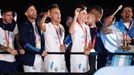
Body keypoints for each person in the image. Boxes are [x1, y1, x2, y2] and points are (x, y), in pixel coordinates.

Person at [38, 4, 67, 72]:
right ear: (50, 15)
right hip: (51, 60)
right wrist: (45, 15)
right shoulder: (47, 26)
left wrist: (64, 47)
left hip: (62, 59)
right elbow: (40, 25)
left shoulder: (62, 27)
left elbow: (63, 42)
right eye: (56, 13)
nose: (59, 15)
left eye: (59, 13)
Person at [18, 4, 45, 72]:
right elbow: (25, 44)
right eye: (31, 10)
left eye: (35, 9)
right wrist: (39, 51)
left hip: (40, 57)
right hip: (29, 60)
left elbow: (42, 39)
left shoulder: (38, 24)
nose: (34, 11)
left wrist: (42, 50)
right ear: (26, 13)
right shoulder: (24, 26)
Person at [69, 5, 92, 73]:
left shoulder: (87, 27)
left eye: (86, 13)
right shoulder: (75, 25)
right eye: (83, 13)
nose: (86, 15)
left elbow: (90, 42)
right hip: (76, 58)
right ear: (78, 15)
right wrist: (75, 16)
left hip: (85, 57)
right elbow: (71, 31)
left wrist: (88, 49)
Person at [88, 5, 108, 70]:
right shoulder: (84, 27)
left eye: (93, 14)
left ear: (98, 16)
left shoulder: (103, 29)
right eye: (90, 13)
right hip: (86, 58)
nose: (89, 15)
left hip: (100, 60)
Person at [0, 7, 18, 72]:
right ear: (2, 16)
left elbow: (17, 38)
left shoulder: (14, 25)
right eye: (8, 15)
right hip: (2, 60)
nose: (11, 17)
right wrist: (7, 49)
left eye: (12, 15)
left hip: (13, 59)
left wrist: (20, 47)